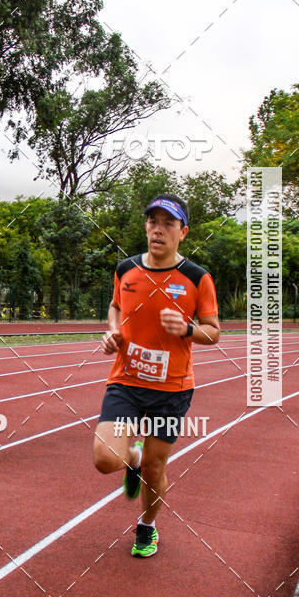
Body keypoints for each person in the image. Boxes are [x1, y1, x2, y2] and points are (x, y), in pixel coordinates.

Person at [93, 194, 220, 558]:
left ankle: (147, 525)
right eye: (153, 221)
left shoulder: (197, 278)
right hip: (126, 382)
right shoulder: (126, 269)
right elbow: (115, 306)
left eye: (168, 223)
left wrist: (187, 329)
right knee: (105, 459)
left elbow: (213, 332)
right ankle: (129, 458)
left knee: (154, 466)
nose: (158, 229)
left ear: (183, 232)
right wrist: (113, 332)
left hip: (171, 389)